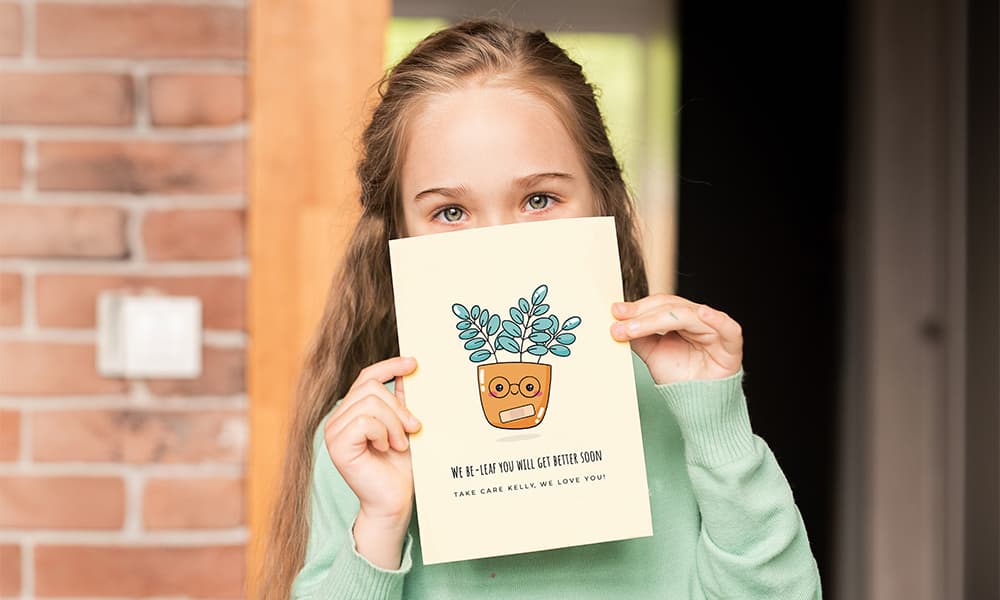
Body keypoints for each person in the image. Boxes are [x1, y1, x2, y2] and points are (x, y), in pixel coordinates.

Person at [260, 19, 822, 600]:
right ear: (397, 232)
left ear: (602, 199)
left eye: (538, 199)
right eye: (450, 212)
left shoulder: (682, 410)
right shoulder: (367, 444)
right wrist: (378, 525)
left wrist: (716, 424)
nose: (499, 245)